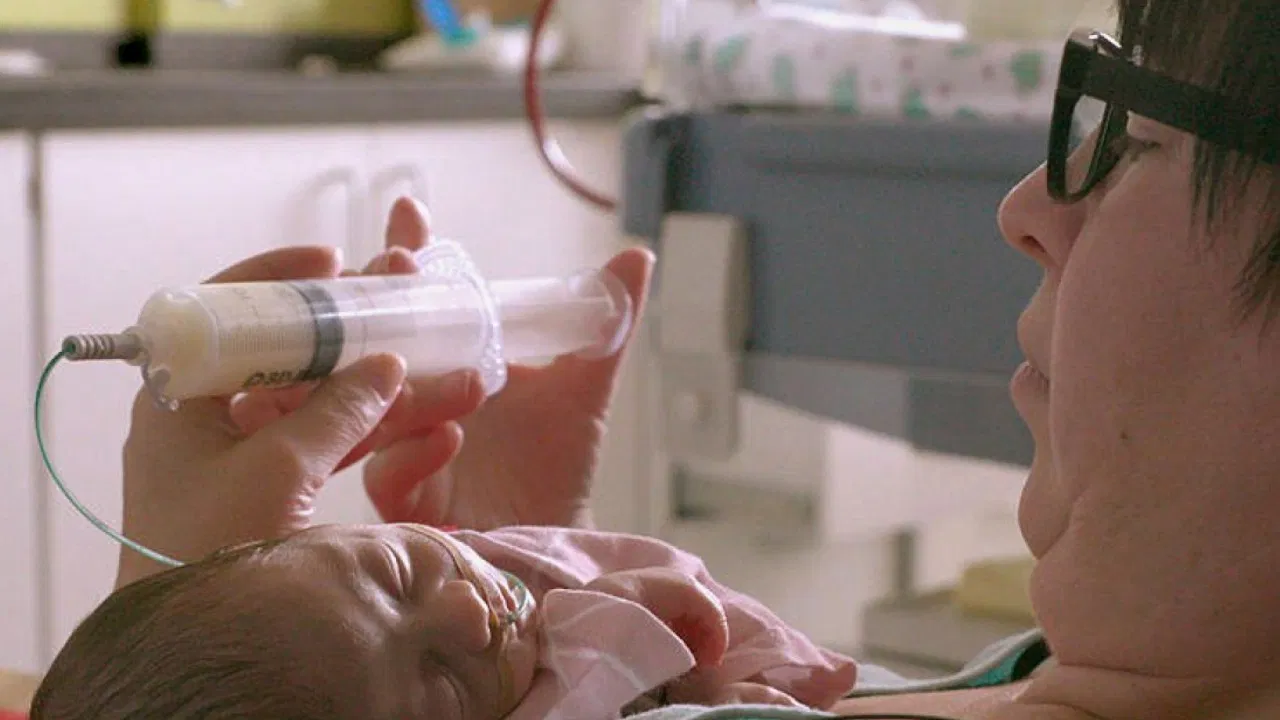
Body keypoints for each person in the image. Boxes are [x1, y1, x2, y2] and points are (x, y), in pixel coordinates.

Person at [37, 0, 1280, 715]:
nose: (1030, 205)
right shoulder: (1104, 669)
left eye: (1133, 133)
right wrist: (550, 623)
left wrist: (194, 596)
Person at [30, 523, 858, 719]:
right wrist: (681, 676)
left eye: (393, 571)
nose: (466, 610)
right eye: (444, 687)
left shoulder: (489, 558)